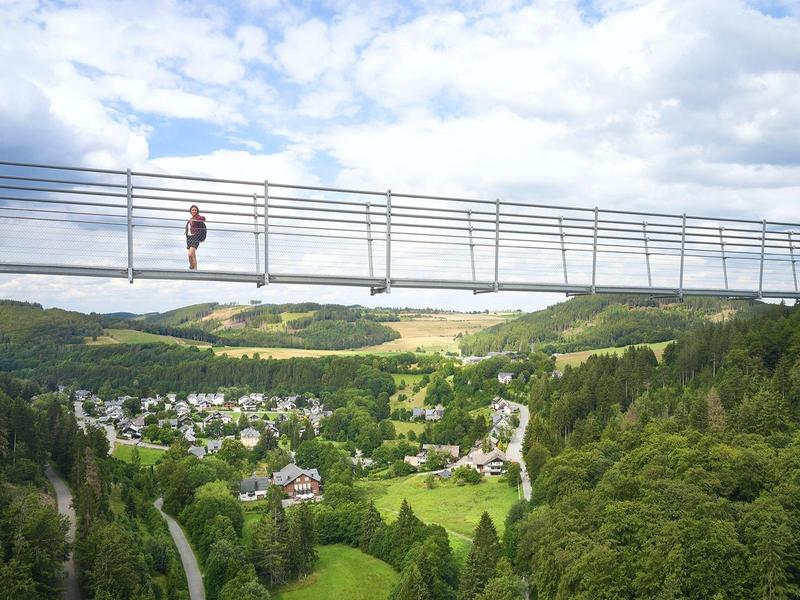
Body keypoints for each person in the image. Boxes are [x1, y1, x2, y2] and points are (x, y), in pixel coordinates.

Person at [185, 205, 206, 270]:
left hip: (195, 237)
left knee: (190, 254)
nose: (194, 211)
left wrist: (196, 218)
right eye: (193, 210)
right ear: (190, 211)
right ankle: (195, 270)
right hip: (188, 238)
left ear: (197, 211)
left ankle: (191, 266)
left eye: (195, 210)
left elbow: (203, 218)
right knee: (193, 256)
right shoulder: (190, 220)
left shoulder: (198, 217)